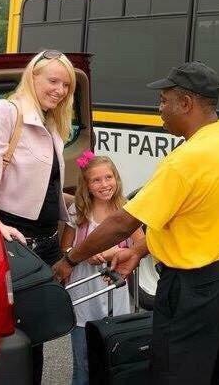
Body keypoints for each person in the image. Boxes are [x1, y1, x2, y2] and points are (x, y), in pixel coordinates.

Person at [53, 60, 219, 385]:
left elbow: (122, 223)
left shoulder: (185, 160)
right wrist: (138, 251)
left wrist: (70, 259)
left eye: (164, 100)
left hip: (191, 286)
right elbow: (188, 221)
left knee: (176, 372)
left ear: (185, 103)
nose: (160, 108)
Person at [0, 49, 76, 385]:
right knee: (13, 341)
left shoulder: (51, 125)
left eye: (66, 86)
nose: (59, 90)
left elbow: (45, 187)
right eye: (53, 80)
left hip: (45, 245)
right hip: (13, 244)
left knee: (37, 338)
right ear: (33, 76)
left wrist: (84, 205)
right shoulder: (6, 111)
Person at [62, 152, 144, 385]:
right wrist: (80, 255)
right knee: (84, 360)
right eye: (96, 180)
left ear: (116, 179)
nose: (104, 184)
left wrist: (111, 253)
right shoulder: (78, 211)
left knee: (113, 355)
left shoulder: (126, 211)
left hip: (114, 292)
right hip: (84, 293)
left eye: (109, 177)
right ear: (86, 185)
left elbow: (140, 245)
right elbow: (65, 247)